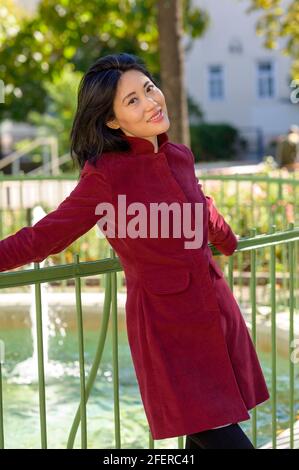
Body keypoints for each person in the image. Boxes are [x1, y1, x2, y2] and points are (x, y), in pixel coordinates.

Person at [0, 53, 269, 449]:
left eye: (148, 89)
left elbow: (200, 206)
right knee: (218, 433)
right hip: (169, 329)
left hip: (215, 311)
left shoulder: (179, 156)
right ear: (112, 120)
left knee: (208, 435)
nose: (150, 101)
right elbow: (45, 236)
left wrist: (227, 240)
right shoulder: (106, 175)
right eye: (132, 101)